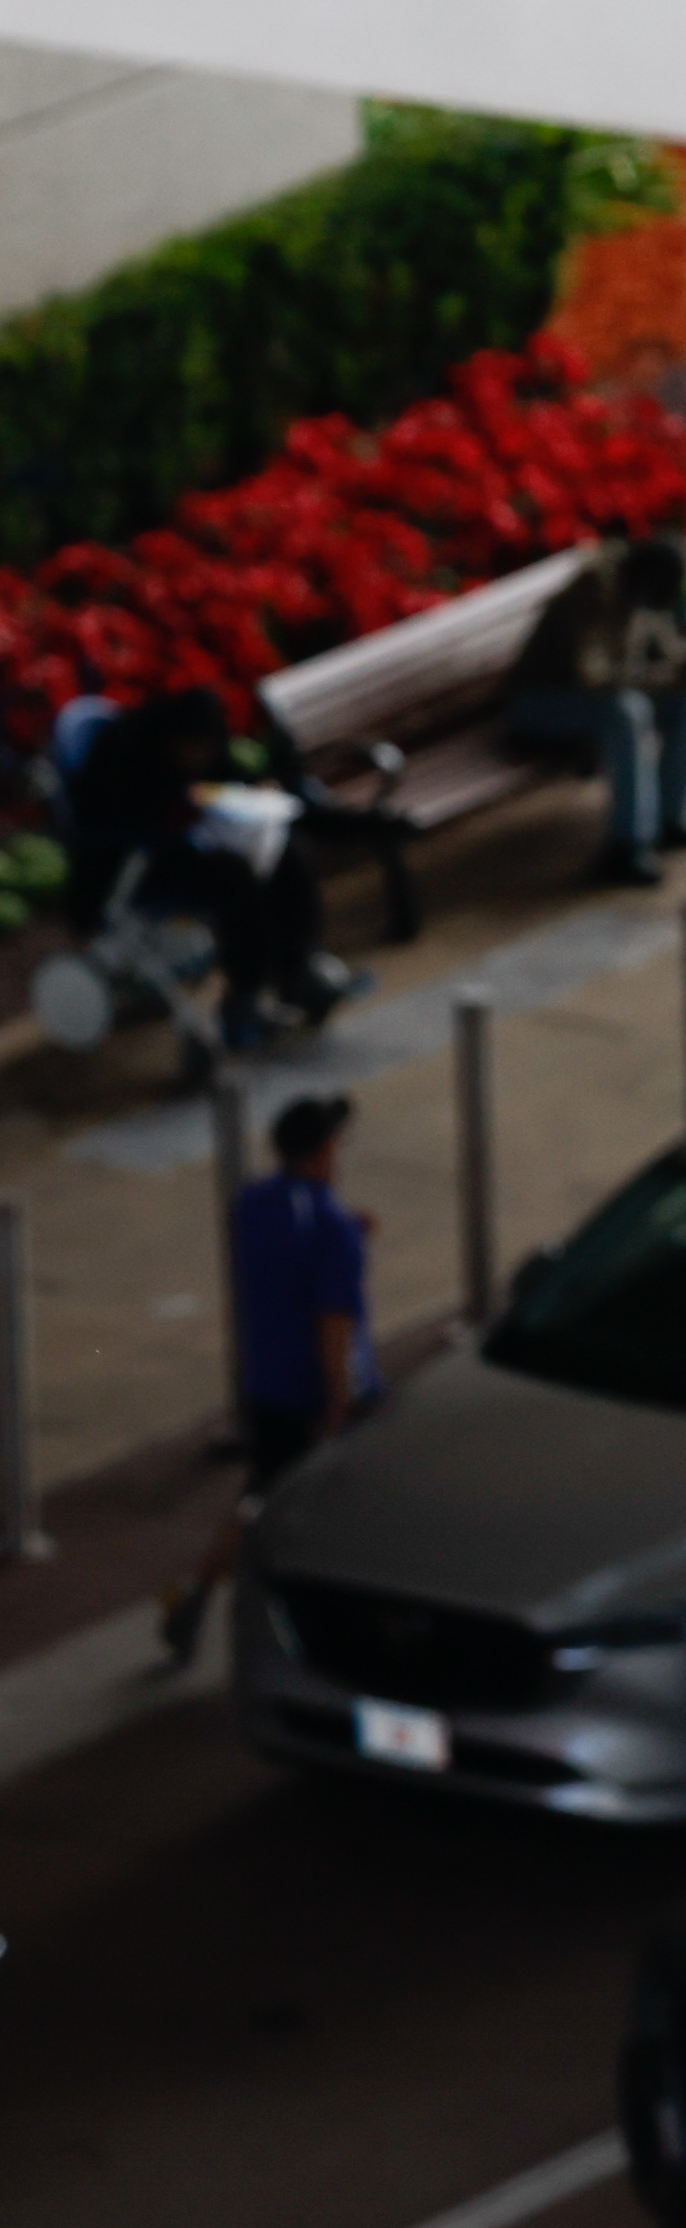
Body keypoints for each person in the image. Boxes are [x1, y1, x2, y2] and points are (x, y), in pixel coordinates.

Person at [162, 1093, 378, 1667]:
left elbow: (287, 1261)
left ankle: (196, 1598)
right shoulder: (333, 1230)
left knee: (260, 1496)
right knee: (299, 1511)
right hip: (312, 1397)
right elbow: (334, 1325)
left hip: (266, 1386)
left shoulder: (254, 1205)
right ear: (323, 1150)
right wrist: (341, 1402)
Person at [62, 686, 349, 1046]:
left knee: (285, 852)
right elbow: (111, 822)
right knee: (235, 882)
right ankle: (245, 995)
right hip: (140, 862)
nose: (200, 757)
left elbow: (223, 781)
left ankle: (297, 967)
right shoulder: (124, 754)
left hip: (197, 842)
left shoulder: (205, 741)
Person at [506, 534, 686, 883]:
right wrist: (667, 676)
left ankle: (673, 817)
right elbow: (595, 677)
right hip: (540, 703)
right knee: (626, 711)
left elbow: (662, 649)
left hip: (596, 698)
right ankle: (628, 847)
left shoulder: (646, 590)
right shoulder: (592, 591)